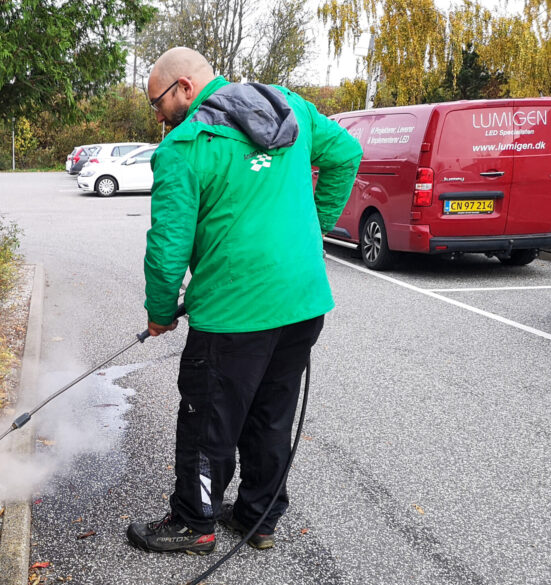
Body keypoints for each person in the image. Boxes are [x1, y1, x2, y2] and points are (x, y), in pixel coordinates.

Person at [126, 47, 362, 555]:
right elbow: (346, 155)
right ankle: (259, 518)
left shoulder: (185, 147)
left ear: (185, 88)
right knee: (271, 412)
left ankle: (195, 522)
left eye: (158, 103)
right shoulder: (289, 107)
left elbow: (168, 249)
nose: (159, 116)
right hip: (303, 304)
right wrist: (309, 235)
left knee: (208, 418)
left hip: (233, 317)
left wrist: (161, 312)